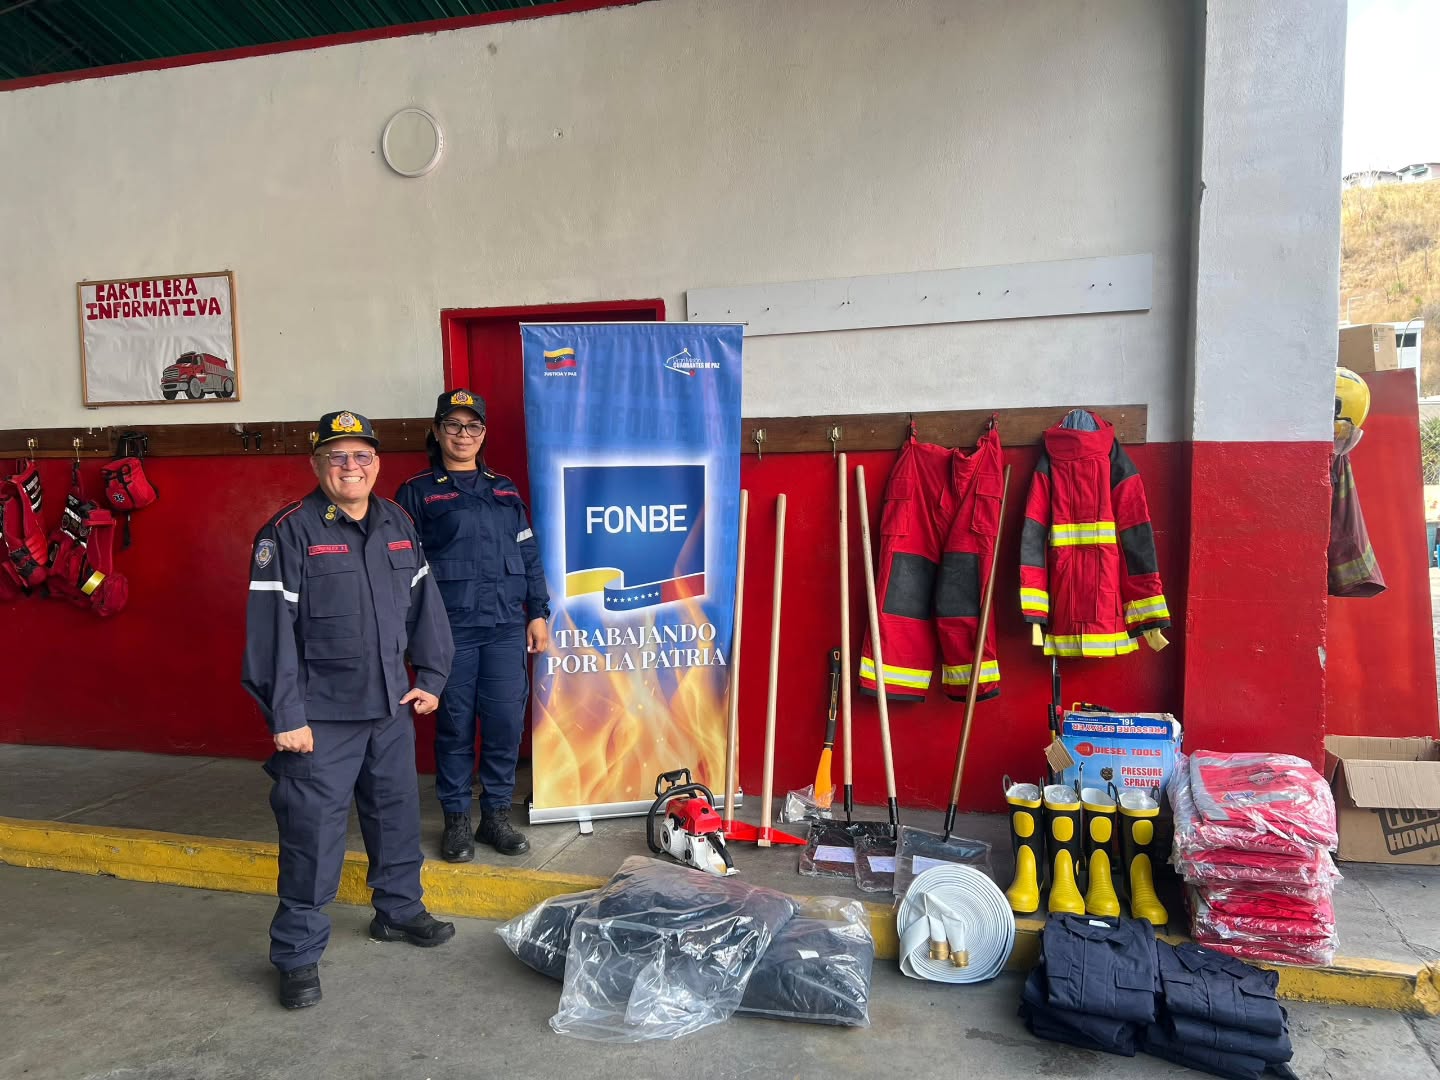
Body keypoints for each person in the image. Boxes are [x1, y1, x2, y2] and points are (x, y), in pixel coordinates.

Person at [242, 409, 457, 1010]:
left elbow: (424, 606)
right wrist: (286, 715)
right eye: (337, 456)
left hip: (390, 706)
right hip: (320, 716)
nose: (351, 466)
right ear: (317, 464)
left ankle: (399, 910)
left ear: (377, 464)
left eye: (362, 455)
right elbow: (269, 633)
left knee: (396, 816)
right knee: (311, 835)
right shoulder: (287, 532)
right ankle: (297, 955)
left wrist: (432, 675)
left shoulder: (398, 522)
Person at [396, 389, 550, 862]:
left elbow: (527, 552)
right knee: (456, 727)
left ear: (483, 433)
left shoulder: (504, 488)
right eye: (453, 425)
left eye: (473, 426)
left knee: (505, 725)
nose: (463, 435)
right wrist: (411, 632)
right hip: (449, 630)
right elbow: (402, 569)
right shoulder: (418, 491)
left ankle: (495, 816)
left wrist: (538, 611)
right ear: (437, 431)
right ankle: (457, 819)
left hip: (504, 626)